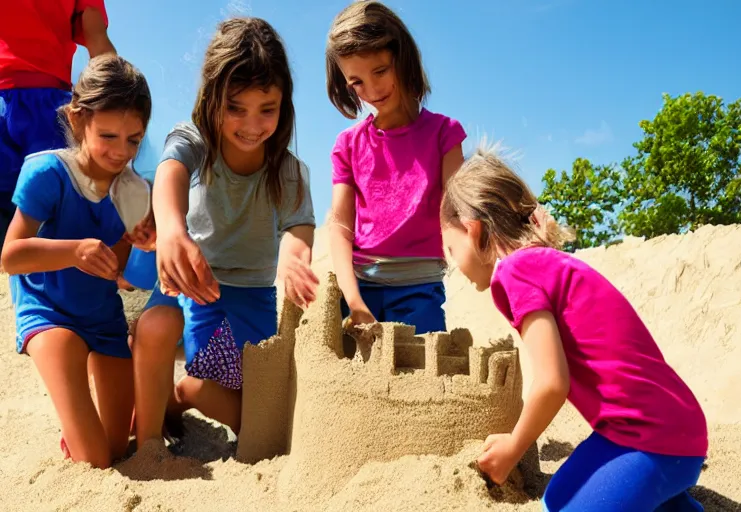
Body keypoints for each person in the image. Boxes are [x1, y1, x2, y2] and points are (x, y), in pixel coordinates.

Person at [439, 146, 709, 511]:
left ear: (473, 232)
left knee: (561, 507)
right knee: (565, 494)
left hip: (647, 438)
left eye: (451, 251)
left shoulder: (513, 273)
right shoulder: (549, 264)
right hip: (675, 429)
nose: (453, 266)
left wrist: (513, 447)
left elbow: (552, 383)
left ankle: (660, 483)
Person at [131, 17, 318, 449]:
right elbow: (170, 172)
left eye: (266, 109)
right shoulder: (197, 140)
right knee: (216, 384)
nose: (252, 124)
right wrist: (173, 229)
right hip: (201, 285)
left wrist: (294, 252)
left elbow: (299, 224)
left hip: (254, 295)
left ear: (283, 104)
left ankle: (180, 399)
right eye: (236, 107)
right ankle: (179, 399)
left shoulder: (289, 171)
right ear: (212, 98)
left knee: (261, 389)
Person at [1, 54, 153, 469]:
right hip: (50, 313)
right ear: (77, 119)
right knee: (96, 461)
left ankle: (91, 404)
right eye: (108, 136)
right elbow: (11, 257)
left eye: (134, 140)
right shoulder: (48, 173)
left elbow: (119, 275)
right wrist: (74, 250)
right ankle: (76, 411)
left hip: (103, 319)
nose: (121, 151)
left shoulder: (134, 191)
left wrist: (136, 241)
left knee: (119, 448)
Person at [325, 0, 466, 334]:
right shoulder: (348, 144)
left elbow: (460, 215)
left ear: (402, 58)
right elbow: (340, 225)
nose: (371, 90)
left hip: (420, 290)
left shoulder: (445, 134)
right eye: (356, 82)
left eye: (380, 71)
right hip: (361, 290)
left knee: (421, 379)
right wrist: (354, 300)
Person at [0, 0, 117, 247]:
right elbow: (96, 36)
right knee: (55, 214)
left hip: (36, 104)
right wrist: (118, 104)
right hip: (50, 107)